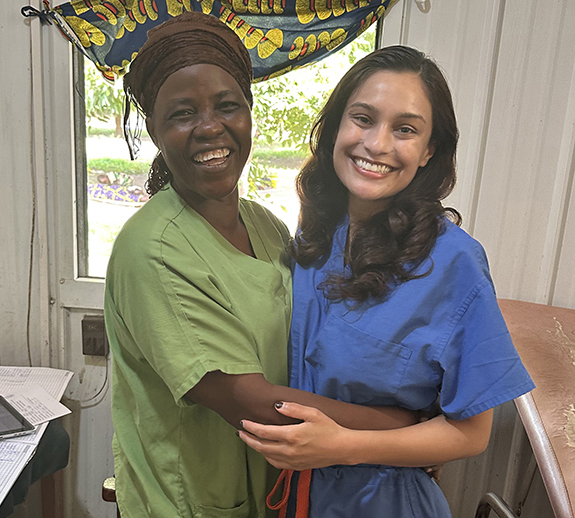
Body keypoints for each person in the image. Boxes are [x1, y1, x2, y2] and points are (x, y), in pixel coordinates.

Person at [104, 14, 418, 518]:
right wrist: (406, 431)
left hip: (273, 488)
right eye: (182, 113)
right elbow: (254, 405)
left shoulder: (265, 225)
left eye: (227, 106)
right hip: (190, 501)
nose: (210, 127)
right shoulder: (154, 251)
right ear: (155, 129)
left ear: (249, 114)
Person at [238, 46, 535, 517]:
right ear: (336, 126)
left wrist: (343, 445)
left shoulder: (453, 262)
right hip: (295, 498)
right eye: (362, 118)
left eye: (405, 129)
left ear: (429, 150)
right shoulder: (317, 234)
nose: (376, 145)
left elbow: (471, 433)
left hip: (383, 502)